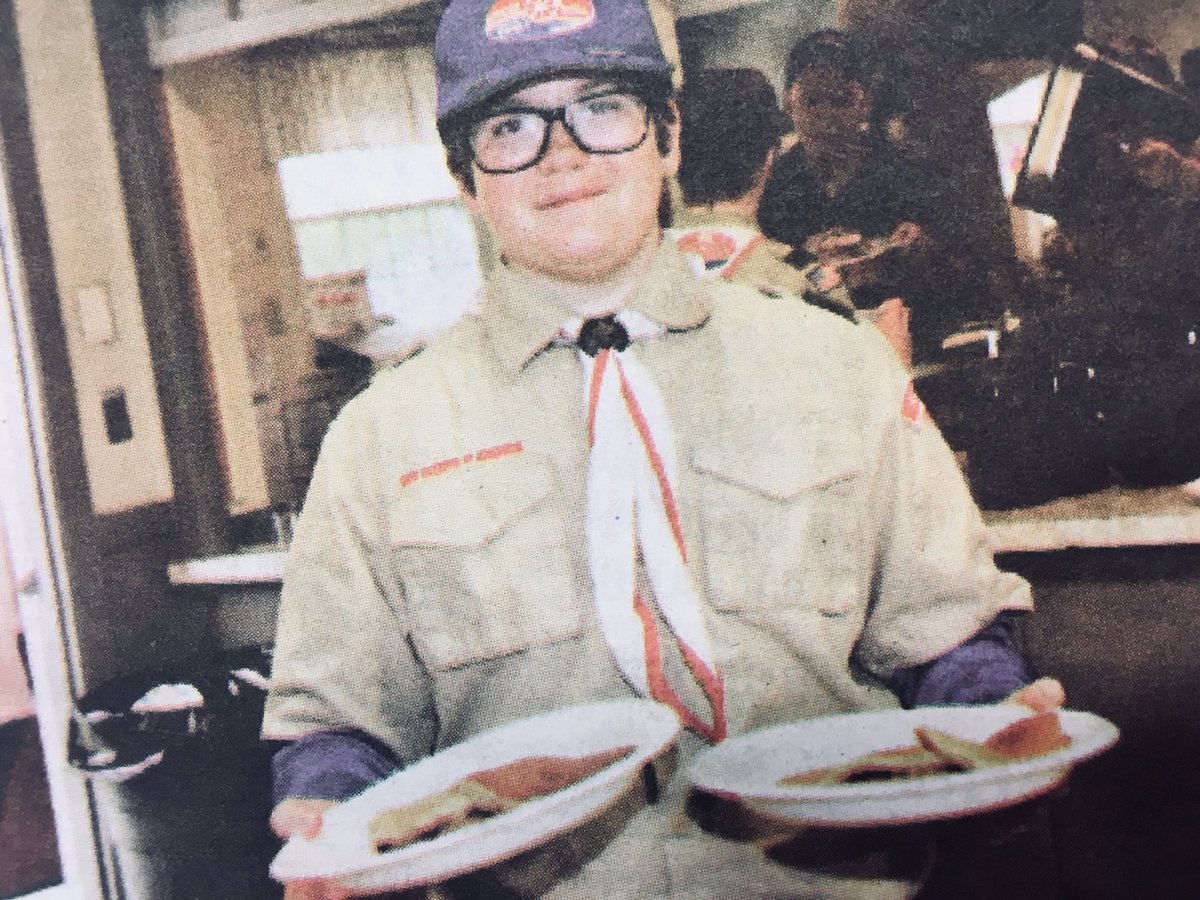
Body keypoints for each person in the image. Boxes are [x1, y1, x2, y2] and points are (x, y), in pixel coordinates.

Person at [263, 2, 1063, 897]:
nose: (561, 154)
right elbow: (337, 729)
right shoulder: (377, 438)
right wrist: (331, 814)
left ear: (668, 137)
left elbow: (945, 639)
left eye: (603, 106)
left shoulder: (839, 365)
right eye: (509, 126)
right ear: (465, 175)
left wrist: (994, 717)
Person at [670, 66, 911, 367]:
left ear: (671, 156)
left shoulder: (638, 275)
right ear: (770, 157)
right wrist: (889, 357)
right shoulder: (807, 285)